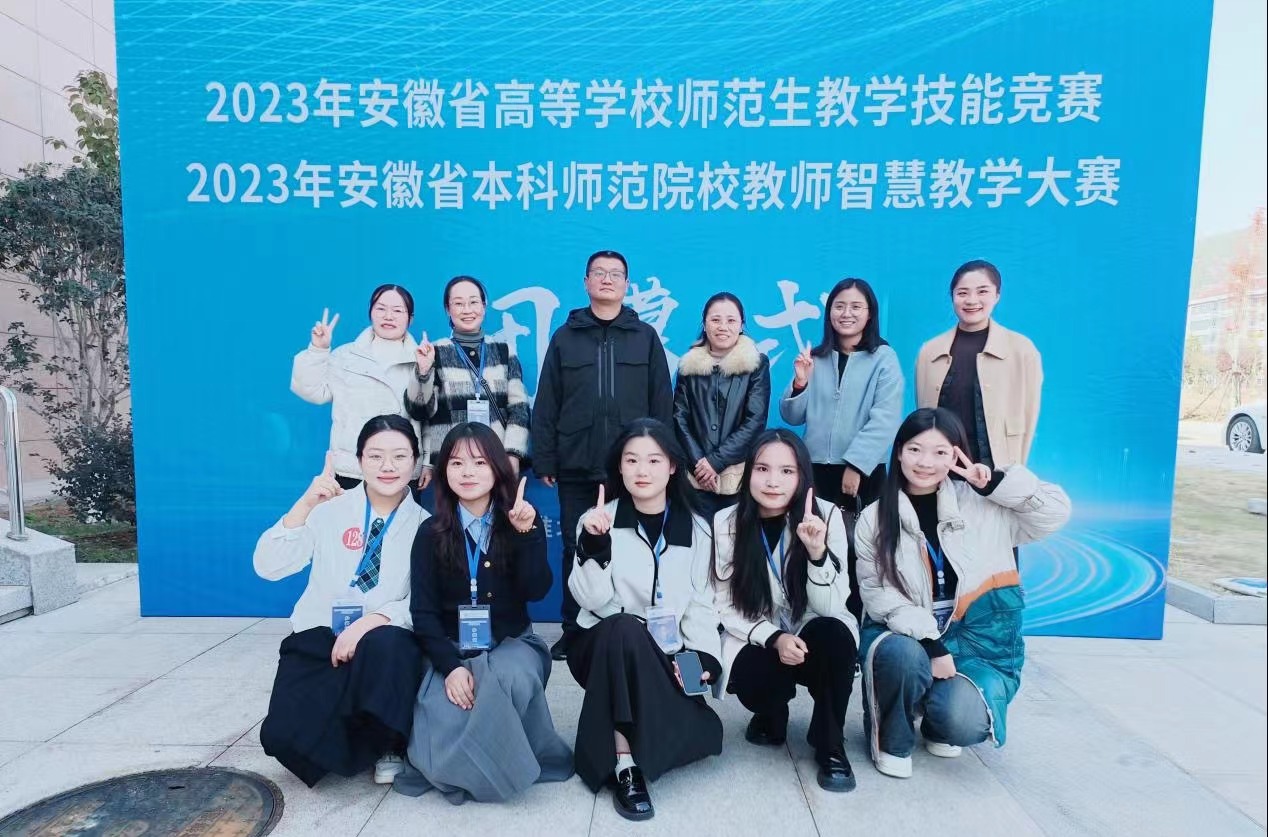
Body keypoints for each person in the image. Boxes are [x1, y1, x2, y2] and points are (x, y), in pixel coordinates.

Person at [854, 407, 1070, 779]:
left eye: (940, 452)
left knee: (964, 723)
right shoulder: (875, 517)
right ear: (899, 451)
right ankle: (892, 735)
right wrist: (932, 645)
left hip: (974, 638)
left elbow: (1054, 515)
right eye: (915, 450)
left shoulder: (986, 504)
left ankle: (937, 720)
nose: (926, 463)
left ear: (956, 455)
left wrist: (997, 485)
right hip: (906, 633)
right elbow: (878, 593)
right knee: (903, 656)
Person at [394, 422, 573, 803]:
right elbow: (422, 613)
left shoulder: (521, 521)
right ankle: (493, 765)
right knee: (450, 702)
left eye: (479, 462)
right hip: (450, 648)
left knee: (505, 679)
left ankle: (482, 768)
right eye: (457, 463)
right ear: (444, 471)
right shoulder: (430, 533)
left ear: (497, 468)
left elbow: (537, 590)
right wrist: (450, 667)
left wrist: (526, 535)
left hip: (511, 643)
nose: (468, 472)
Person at [254, 415, 427, 788]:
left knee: (391, 644)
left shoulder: (426, 526)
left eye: (399, 456)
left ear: (415, 462)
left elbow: (423, 601)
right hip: (321, 637)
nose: (387, 466)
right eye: (375, 456)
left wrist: (371, 621)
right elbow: (268, 566)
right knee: (280, 737)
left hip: (383, 646)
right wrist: (304, 505)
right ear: (359, 460)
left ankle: (389, 742)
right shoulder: (327, 510)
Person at [568, 418, 722, 821]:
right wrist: (596, 546)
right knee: (623, 630)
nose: (642, 470)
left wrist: (703, 658)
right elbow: (589, 599)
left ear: (672, 466)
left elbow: (701, 605)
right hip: (600, 644)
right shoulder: (597, 519)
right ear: (619, 467)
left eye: (654, 460)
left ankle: (660, 730)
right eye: (631, 460)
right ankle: (625, 763)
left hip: (665, 651)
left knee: (703, 727)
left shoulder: (697, 528)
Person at [531, 250, 674, 661]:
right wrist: (545, 458)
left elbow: (661, 401)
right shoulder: (566, 337)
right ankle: (574, 629)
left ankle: (631, 625)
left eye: (615, 274)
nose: (607, 279)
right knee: (575, 546)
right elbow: (547, 401)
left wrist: (661, 459)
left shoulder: (645, 336)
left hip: (633, 469)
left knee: (634, 545)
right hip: (576, 463)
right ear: (586, 282)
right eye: (599, 273)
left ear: (627, 284)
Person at [712, 429, 860, 792]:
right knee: (751, 674)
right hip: (760, 630)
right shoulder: (727, 522)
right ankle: (771, 712)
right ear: (749, 472)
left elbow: (831, 605)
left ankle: (830, 743)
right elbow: (724, 602)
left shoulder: (827, 515)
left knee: (836, 635)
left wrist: (817, 553)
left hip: (813, 626)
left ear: (802, 475)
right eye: (762, 469)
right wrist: (774, 638)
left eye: (786, 471)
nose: (773, 481)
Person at [780, 277, 903, 618]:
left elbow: (886, 417)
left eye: (855, 307)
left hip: (864, 473)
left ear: (870, 313)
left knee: (860, 549)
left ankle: (858, 620)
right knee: (815, 546)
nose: (846, 313)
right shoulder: (816, 358)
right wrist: (800, 382)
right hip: (815, 470)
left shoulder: (884, 358)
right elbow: (791, 416)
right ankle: (818, 617)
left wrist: (856, 465)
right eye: (839, 306)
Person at [405, 276, 532, 490]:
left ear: (484, 306)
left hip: (495, 460)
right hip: (451, 462)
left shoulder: (504, 351)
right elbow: (419, 412)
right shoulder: (434, 352)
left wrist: (512, 454)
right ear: (448, 309)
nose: (467, 310)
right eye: (458, 303)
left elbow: (519, 408)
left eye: (473, 302)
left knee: (499, 512)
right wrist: (423, 372)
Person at [915, 259, 1043, 469]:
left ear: (997, 295)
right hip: (942, 468)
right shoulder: (929, 351)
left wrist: (1016, 470)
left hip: (998, 469)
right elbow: (924, 414)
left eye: (982, 291)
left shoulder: (1022, 350)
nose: (971, 300)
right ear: (952, 297)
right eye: (962, 293)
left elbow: (1029, 416)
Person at [291, 285, 423, 489]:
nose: (388, 316)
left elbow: (430, 419)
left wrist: (428, 463)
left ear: (410, 318)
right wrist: (318, 349)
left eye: (397, 310)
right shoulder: (345, 356)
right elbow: (312, 391)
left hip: (401, 470)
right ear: (370, 312)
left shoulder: (422, 359)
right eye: (381, 309)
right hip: (352, 468)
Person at [672, 292, 771, 520]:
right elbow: (679, 417)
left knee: (735, 538)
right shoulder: (689, 366)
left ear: (741, 325)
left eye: (731, 320)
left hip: (737, 478)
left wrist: (716, 462)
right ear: (705, 324)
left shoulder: (756, 364)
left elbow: (755, 420)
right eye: (715, 319)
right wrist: (700, 465)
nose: (723, 327)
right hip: (695, 478)